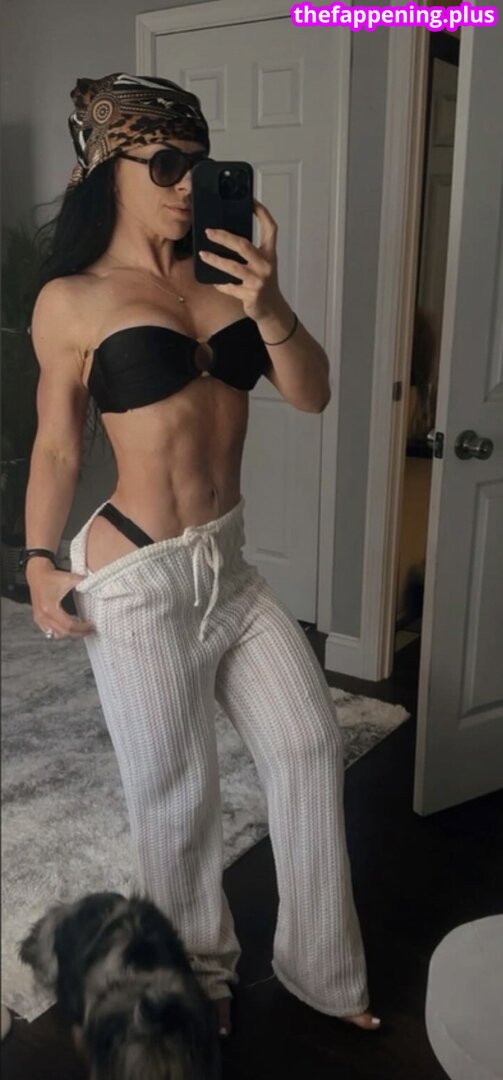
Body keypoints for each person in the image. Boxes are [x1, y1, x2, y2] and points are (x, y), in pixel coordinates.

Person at [22, 72, 381, 1037]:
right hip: (136, 571)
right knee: (174, 796)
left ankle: (321, 970)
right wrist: (37, 559)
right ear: (110, 169)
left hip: (228, 563)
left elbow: (310, 392)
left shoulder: (226, 278)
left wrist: (270, 301)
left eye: (198, 163)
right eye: (165, 164)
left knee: (309, 745)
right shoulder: (73, 298)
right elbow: (56, 447)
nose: (187, 184)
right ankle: (196, 977)